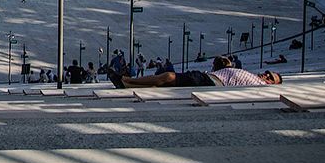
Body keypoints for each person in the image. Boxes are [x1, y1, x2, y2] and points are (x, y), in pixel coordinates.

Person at [116, 66, 282, 89]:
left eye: (270, 78)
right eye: (268, 73)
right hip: (207, 76)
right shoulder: (254, 76)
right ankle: (131, 82)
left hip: (209, 82)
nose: (266, 75)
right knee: (168, 78)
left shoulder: (259, 84)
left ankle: (129, 81)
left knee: (168, 76)